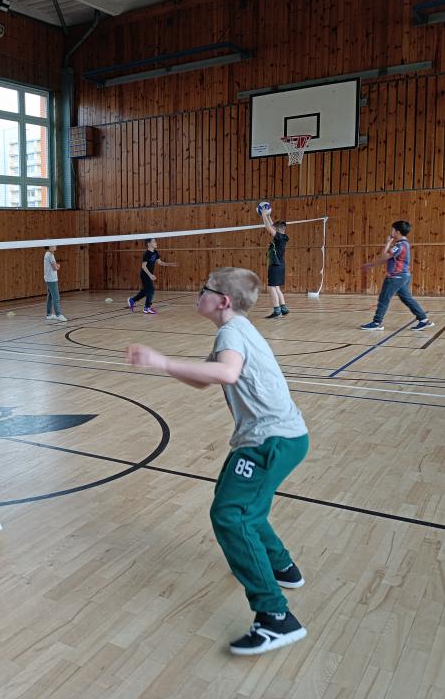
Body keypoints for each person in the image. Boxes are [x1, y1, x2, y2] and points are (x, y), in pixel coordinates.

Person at [127, 267, 309, 656]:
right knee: (242, 506)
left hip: (270, 441)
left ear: (223, 301)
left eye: (203, 289)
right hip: (281, 438)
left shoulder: (231, 332)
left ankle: (276, 617)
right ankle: (282, 567)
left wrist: (163, 361)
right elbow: (206, 379)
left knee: (230, 515)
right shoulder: (236, 330)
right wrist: (163, 366)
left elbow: (226, 372)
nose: (198, 294)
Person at [359, 220, 434, 331]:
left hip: (396, 277)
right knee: (407, 299)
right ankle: (424, 320)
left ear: (397, 232)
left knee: (383, 299)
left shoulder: (399, 245)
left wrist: (387, 243)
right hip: (403, 276)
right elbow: (387, 259)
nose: (391, 232)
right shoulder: (405, 244)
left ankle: (376, 323)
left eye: (393, 230)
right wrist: (371, 265)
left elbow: (385, 256)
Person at [127, 238, 175, 315]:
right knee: (151, 290)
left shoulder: (155, 252)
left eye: (155, 241)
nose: (156, 242)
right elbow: (143, 266)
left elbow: (160, 262)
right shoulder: (146, 254)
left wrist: (170, 264)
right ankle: (147, 308)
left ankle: (132, 300)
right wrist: (150, 275)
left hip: (149, 275)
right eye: (154, 241)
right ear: (149, 244)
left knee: (145, 291)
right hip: (145, 274)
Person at [261, 208, 289, 319]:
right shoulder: (283, 236)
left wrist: (263, 214)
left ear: (276, 229)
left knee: (271, 288)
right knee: (276, 287)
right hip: (280, 265)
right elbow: (272, 226)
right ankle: (284, 308)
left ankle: (277, 311)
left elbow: (268, 227)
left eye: (274, 228)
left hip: (276, 265)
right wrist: (268, 216)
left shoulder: (279, 237)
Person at [44, 245, 66, 322]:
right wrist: (58, 266)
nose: (55, 246)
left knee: (50, 296)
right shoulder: (50, 255)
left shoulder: (47, 254)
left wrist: (56, 266)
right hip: (51, 279)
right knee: (56, 297)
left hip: (49, 278)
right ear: (49, 246)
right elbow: (55, 268)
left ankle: (49, 314)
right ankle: (58, 314)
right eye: (53, 245)